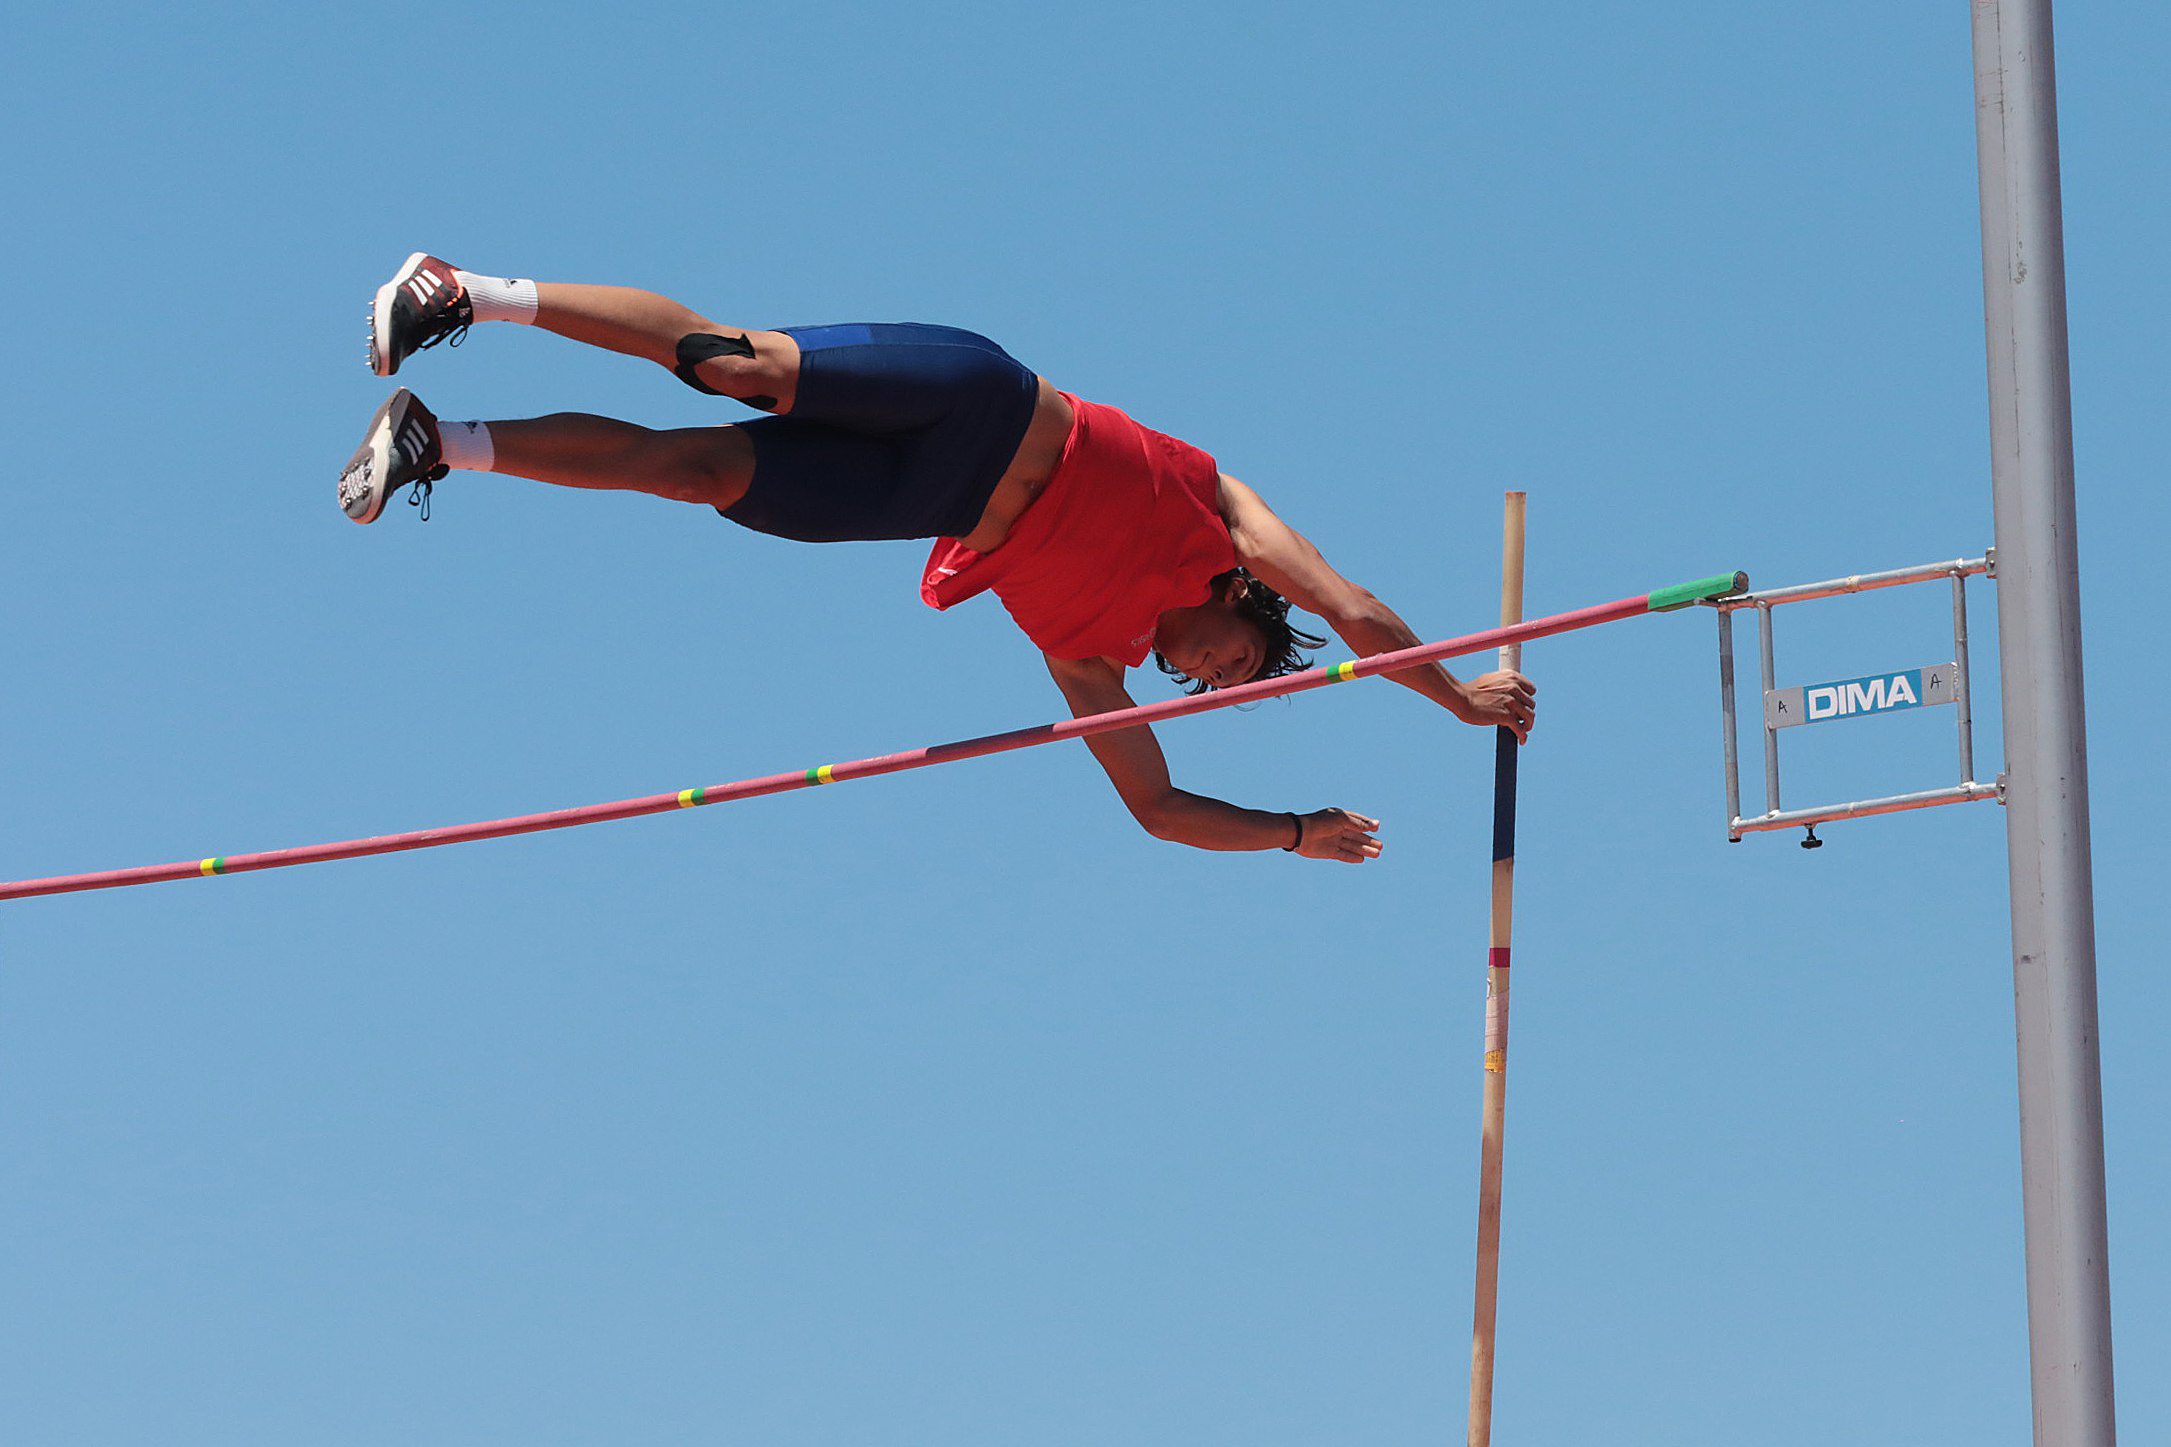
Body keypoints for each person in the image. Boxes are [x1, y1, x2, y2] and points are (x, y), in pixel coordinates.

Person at [339, 253, 1537, 863]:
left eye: (1209, 691)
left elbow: (1159, 807)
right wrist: (1458, 699)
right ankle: (470, 293)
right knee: (732, 362)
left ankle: (442, 442)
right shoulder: (1224, 519)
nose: (1210, 680)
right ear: (1244, 608)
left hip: (921, 496)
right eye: (1233, 666)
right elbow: (1365, 613)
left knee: (695, 470)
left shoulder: (1088, 666)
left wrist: (1290, 831)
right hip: (978, 403)